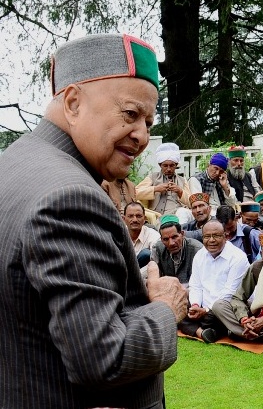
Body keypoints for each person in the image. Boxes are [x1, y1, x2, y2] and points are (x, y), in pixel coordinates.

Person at [0, 33, 188, 407]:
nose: (143, 136)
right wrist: (166, 308)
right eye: (130, 114)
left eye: (149, 122)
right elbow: (105, 359)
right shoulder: (69, 197)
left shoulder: (13, 163)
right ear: (72, 103)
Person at [181, 221, 250, 343]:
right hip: (203, 308)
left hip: (225, 307)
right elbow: (195, 285)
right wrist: (196, 306)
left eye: (216, 236)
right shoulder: (199, 255)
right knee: (177, 307)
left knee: (215, 314)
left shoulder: (238, 257)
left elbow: (230, 293)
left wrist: (206, 310)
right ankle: (203, 332)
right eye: (207, 236)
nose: (211, 240)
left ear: (226, 236)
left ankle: (204, 329)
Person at [135, 142, 191, 217]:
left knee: (182, 213)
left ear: (176, 165)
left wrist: (180, 191)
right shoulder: (152, 177)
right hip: (159, 216)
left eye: (171, 166)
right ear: (160, 165)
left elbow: (191, 202)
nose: (168, 169)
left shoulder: (182, 180)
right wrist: (155, 189)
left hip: (178, 214)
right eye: (165, 166)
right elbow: (135, 193)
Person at [152, 214, 204, 285]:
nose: (171, 243)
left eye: (174, 237)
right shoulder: (158, 248)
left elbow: (202, 282)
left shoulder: (197, 250)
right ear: (161, 239)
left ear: (182, 234)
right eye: (166, 239)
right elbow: (154, 276)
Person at [124, 201, 160, 268]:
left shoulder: (153, 235)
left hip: (144, 275)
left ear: (144, 219)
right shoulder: (117, 235)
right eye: (130, 216)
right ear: (124, 219)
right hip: (122, 272)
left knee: (146, 254)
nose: (134, 220)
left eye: (138, 216)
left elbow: (157, 261)